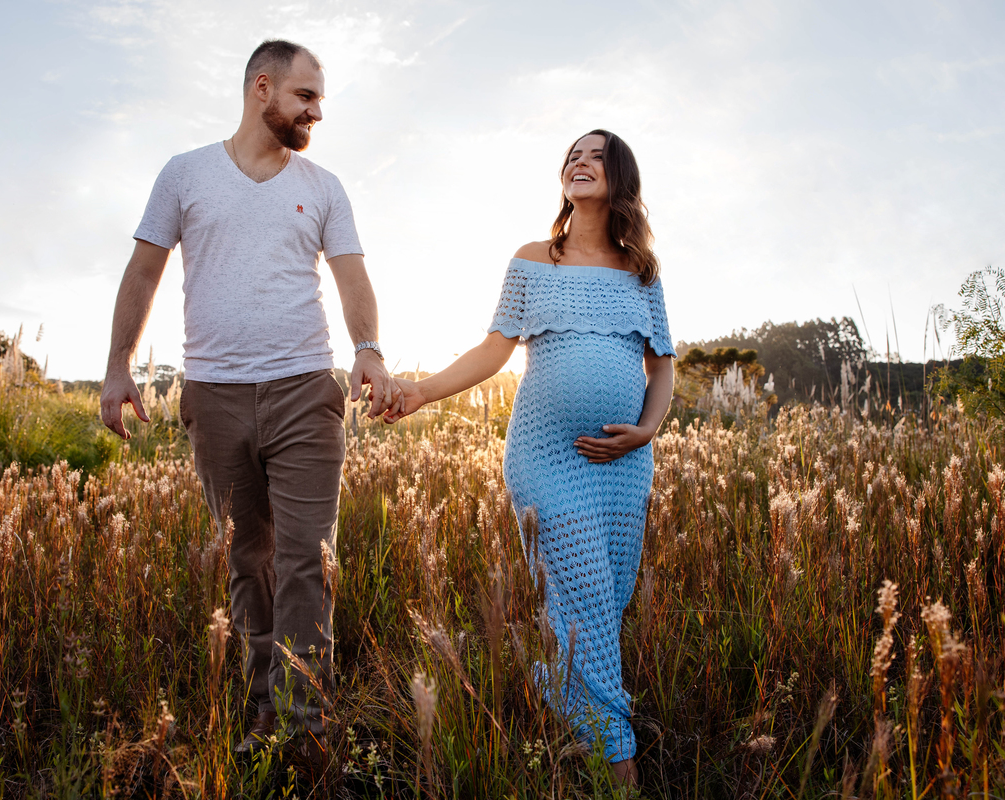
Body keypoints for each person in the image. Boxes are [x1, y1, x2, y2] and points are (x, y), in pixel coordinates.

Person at [100, 39, 398, 756]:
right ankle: (261, 707)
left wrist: (367, 349)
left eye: (319, 99)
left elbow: (352, 276)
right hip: (215, 395)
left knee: (305, 557)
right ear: (262, 89)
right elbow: (143, 271)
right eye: (306, 97)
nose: (316, 112)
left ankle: (304, 723)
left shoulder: (324, 185)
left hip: (304, 391)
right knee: (247, 557)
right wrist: (118, 366)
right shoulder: (185, 175)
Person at [387, 129, 675, 788]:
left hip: (625, 465)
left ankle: (552, 685)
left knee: (605, 603)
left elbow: (662, 368)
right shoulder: (532, 260)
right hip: (547, 456)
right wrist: (422, 392)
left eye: (597, 155)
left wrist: (647, 431)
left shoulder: (642, 273)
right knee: (587, 608)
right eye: (573, 153)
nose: (580, 161)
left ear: (620, 176)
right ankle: (618, 768)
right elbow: (493, 352)